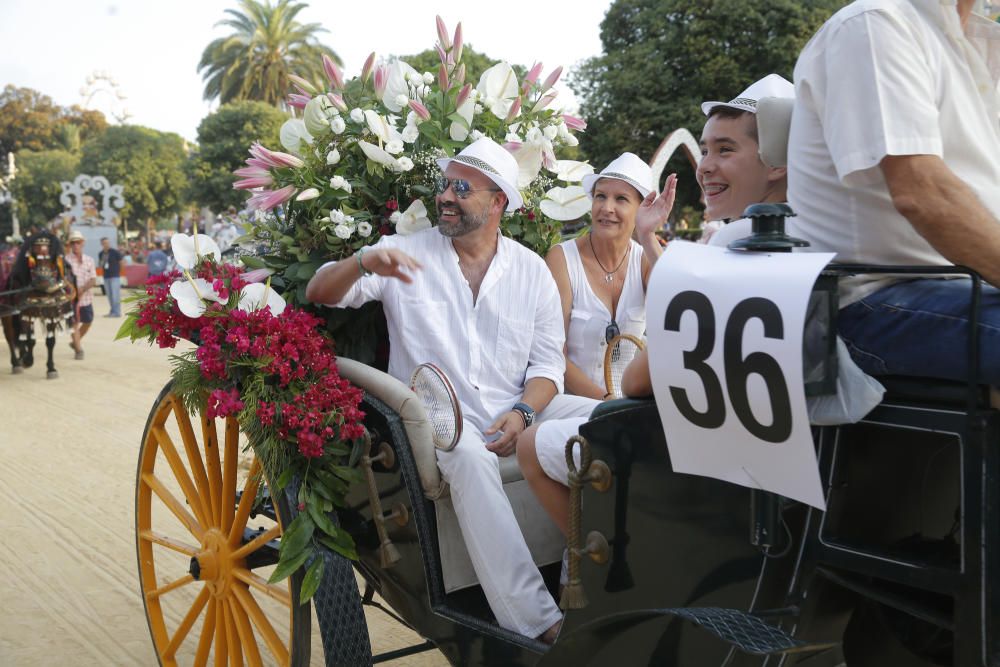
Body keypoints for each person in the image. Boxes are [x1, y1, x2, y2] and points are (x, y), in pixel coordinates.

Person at [305, 137, 598, 643]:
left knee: (602, 419)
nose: (445, 196)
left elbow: (549, 366)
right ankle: (538, 622)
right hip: (439, 422)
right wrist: (361, 263)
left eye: (461, 188)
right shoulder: (401, 254)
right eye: (444, 185)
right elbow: (319, 293)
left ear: (498, 201)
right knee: (469, 455)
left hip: (516, 410)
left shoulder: (530, 271)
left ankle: (583, 577)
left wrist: (525, 414)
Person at [786, 0, 1000, 384]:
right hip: (872, 303)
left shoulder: (981, 43)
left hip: (962, 289)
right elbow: (923, 194)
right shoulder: (875, 23)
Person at [545, 154, 676, 399]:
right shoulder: (561, 259)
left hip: (629, 405)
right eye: (600, 196)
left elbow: (678, 304)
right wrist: (606, 402)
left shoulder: (645, 259)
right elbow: (553, 355)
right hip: (570, 402)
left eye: (621, 199)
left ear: (641, 209)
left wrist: (647, 235)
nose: (607, 208)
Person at [697, 73, 795, 248]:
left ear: (776, 164)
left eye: (725, 150)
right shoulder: (824, 229)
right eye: (704, 152)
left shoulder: (737, 237)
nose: (704, 167)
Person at [64, 230, 96, 360]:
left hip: (86, 298)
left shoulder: (89, 260)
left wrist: (83, 288)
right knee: (74, 324)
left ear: (82, 243)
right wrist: (74, 290)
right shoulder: (66, 260)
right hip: (71, 298)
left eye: (78, 242)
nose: (75, 245)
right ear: (70, 245)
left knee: (88, 321)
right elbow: (63, 278)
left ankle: (75, 342)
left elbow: (93, 279)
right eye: (73, 243)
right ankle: (78, 349)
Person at [98, 237, 123, 317]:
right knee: (109, 295)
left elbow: (121, 263)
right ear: (102, 244)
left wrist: (119, 272)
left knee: (115, 295)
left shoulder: (115, 252)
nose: (106, 244)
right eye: (104, 243)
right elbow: (101, 264)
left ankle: (117, 312)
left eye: (108, 243)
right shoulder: (101, 254)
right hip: (106, 276)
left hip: (115, 276)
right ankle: (112, 311)